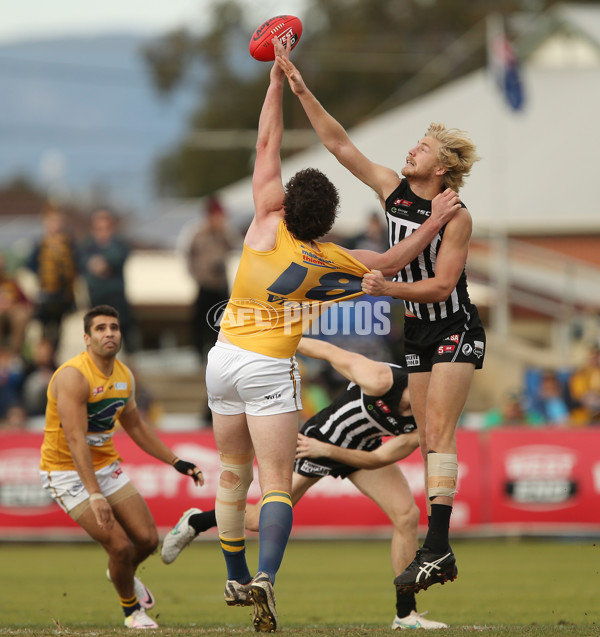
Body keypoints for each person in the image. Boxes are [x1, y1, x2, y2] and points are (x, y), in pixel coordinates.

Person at [201, 38, 461, 633]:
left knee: (231, 474)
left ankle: (234, 574)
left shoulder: (266, 222)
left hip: (223, 360)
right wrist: (437, 223)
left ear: (288, 202)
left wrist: (275, 82)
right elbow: (393, 262)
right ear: (328, 220)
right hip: (269, 368)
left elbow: (267, 143)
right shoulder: (337, 260)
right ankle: (266, 575)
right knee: (274, 486)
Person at [275, 50, 485, 594]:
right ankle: (436, 551)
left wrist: (387, 288)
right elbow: (339, 144)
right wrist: (299, 86)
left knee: (438, 431)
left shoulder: (455, 217)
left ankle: (436, 548)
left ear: (440, 168)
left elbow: (441, 286)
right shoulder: (392, 189)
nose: (411, 148)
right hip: (416, 331)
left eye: (423, 147)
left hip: (454, 326)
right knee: (425, 432)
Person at [162, 337, 447, 630]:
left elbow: (378, 458)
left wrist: (331, 453)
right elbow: (328, 351)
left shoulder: (427, 421)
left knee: (406, 515)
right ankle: (198, 520)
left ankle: (405, 614)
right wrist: (282, 339)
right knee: (258, 520)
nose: (439, 399)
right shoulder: (380, 379)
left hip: (355, 453)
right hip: (313, 442)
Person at [39, 304, 203, 629]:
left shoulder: (124, 375)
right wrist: (95, 495)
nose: (109, 333)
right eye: (100, 328)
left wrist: (176, 461)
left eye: (114, 327)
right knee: (119, 545)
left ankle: (120, 571)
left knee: (147, 541)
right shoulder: (73, 376)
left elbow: (137, 427)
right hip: (66, 471)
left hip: (105, 467)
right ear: (87, 338)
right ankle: (132, 612)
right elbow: (75, 440)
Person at [183, 195, 240, 365]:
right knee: (200, 322)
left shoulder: (225, 233)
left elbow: (237, 245)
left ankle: (221, 355)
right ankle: (200, 357)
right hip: (205, 284)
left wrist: (222, 230)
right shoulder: (197, 233)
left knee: (222, 322)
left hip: (221, 284)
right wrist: (196, 275)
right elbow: (188, 255)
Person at [78, 208, 138, 354]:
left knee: (124, 338)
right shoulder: (87, 247)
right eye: (99, 228)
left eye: (106, 228)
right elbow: (81, 263)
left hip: (117, 303)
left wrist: (103, 262)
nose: (102, 232)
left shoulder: (119, 246)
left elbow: (118, 257)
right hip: (95, 302)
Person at [24, 205, 77, 349]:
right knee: (43, 329)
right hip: (44, 294)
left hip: (64, 295)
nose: (55, 225)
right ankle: (44, 358)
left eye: (58, 221)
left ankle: (55, 357)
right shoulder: (40, 244)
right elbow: (29, 266)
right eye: (51, 221)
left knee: (60, 329)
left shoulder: (69, 243)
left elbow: (76, 266)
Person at [569, 344, 600, 425]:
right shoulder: (579, 375)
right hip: (582, 418)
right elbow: (578, 396)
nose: (595, 359)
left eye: (597, 356)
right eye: (593, 356)